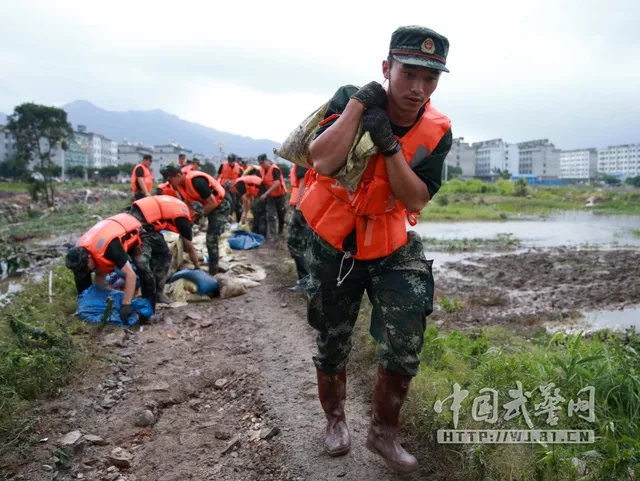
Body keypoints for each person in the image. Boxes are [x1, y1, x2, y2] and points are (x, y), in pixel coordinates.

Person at [298, 26, 453, 473]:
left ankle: (384, 433)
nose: (419, 88)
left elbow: (417, 199)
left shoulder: (437, 129)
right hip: (335, 244)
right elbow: (323, 160)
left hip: (391, 244)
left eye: (431, 78)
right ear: (387, 68)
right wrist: (358, 107)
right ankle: (335, 422)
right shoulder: (351, 96)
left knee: (406, 336)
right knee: (332, 340)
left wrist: (388, 146)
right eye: (409, 74)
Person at [64, 213, 155, 323]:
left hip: (133, 232)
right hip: (106, 236)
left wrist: (126, 304)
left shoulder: (109, 249)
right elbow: (93, 283)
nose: (87, 271)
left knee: (143, 269)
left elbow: (131, 275)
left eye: (86, 268)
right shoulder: (78, 259)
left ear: (89, 257)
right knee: (93, 275)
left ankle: (150, 309)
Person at [128, 195, 203, 305]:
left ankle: (149, 293)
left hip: (135, 215)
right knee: (164, 255)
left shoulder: (178, 206)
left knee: (155, 255)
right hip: (142, 223)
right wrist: (197, 266)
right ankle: (156, 295)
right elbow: (190, 246)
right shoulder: (182, 215)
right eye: (195, 218)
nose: (192, 221)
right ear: (194, 213)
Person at [160, 164, 231, 275]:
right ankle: (185, 255)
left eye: (170, 179)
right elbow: (187, 204)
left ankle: (214, 271)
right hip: (206, 205)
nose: (169, 183)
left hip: (220, 206)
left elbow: (212, 203)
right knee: (185, 229)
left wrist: (196, 217)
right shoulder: (179, 185)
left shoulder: (197, 181)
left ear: (178, 175)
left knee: (211, 239)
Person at [286, 164, 311, 291]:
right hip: (309, 205)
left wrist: (300, 210)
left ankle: (305, 280)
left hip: (302, 208)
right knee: (306, 243)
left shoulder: (302, 159)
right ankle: (309, 279)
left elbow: (303, 183)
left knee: (294, 243)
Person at [257, 154, 287, 241]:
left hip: (280, 196)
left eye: (263, 163)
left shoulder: (274, 169)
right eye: (260, 164)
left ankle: (281, 232)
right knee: (270, 215)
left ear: (267, 160)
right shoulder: (261, 171)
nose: (262, 165)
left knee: (281, 215)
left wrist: (266, 193)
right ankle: (273, 235)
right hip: (270, 197)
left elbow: (276, 183)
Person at [218, 154, 244, 222]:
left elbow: (241, 180)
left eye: (232, 161)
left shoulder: (239, 168)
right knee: (226, 203)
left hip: (233, 189)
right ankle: (225, 219)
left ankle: (233, 220)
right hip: (224, 188)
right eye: (229, 161)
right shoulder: (223, 165)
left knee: (234, 204)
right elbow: (217, 175)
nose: (230, 162)